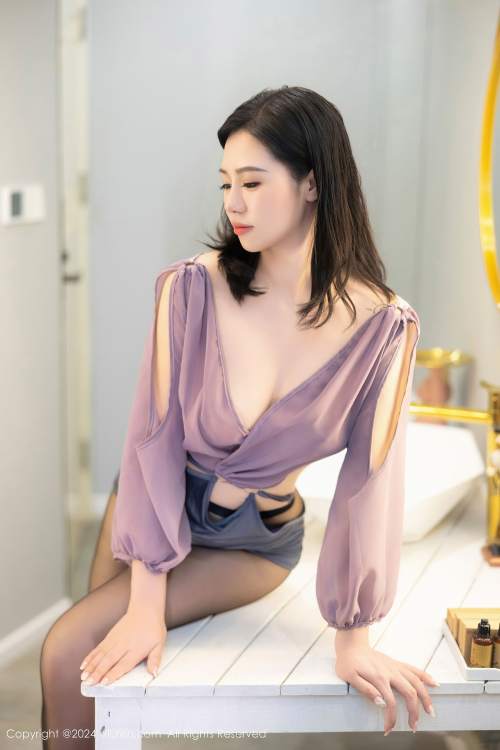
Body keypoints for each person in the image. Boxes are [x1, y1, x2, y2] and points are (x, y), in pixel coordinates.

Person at [39, 85, 435, 747]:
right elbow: (153, 441)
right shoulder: (191, 288)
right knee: (84, 672)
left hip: (254, 540)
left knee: (69, 650)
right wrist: (145, 604)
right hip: (151, 503)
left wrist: (353, 640)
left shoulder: (384, 327)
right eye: (226, 183)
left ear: (313, 183)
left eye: (252, 182)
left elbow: (370, 483)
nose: (233, 203)